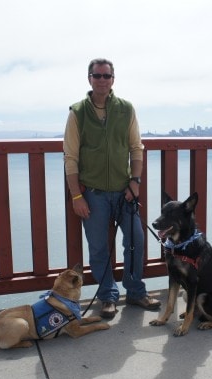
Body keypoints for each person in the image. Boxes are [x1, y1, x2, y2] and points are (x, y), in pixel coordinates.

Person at [63, 58, 161, 319]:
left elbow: (136, 148)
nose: (102, 80)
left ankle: (136, 291)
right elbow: (70, 158)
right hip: (92, 194)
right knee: (98, 248)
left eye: (107, 76)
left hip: (124, 192)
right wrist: (76, 196)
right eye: (97, 76)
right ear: (89, 79)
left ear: (113, 79)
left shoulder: (125, 109)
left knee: (136, 241)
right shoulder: (77, 112)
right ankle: (107, 296)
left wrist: (135, 182)